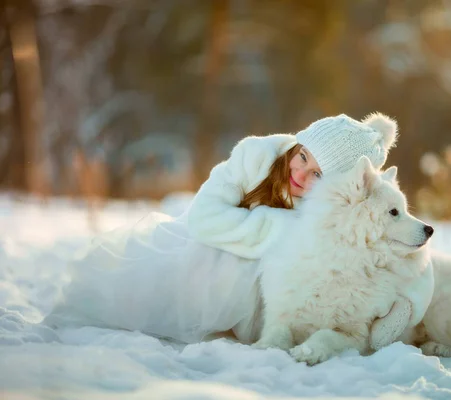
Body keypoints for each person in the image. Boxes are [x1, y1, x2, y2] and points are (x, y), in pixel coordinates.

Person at [45, 112, 399, 345]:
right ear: (298, 143)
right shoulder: (254, 157)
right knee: (189, 276)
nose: (301, 174)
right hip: (206, 251)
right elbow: (205, 219)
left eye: (318, 174)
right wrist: (278, 228)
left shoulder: (331, 205)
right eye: (303, 157)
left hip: (272, 284)